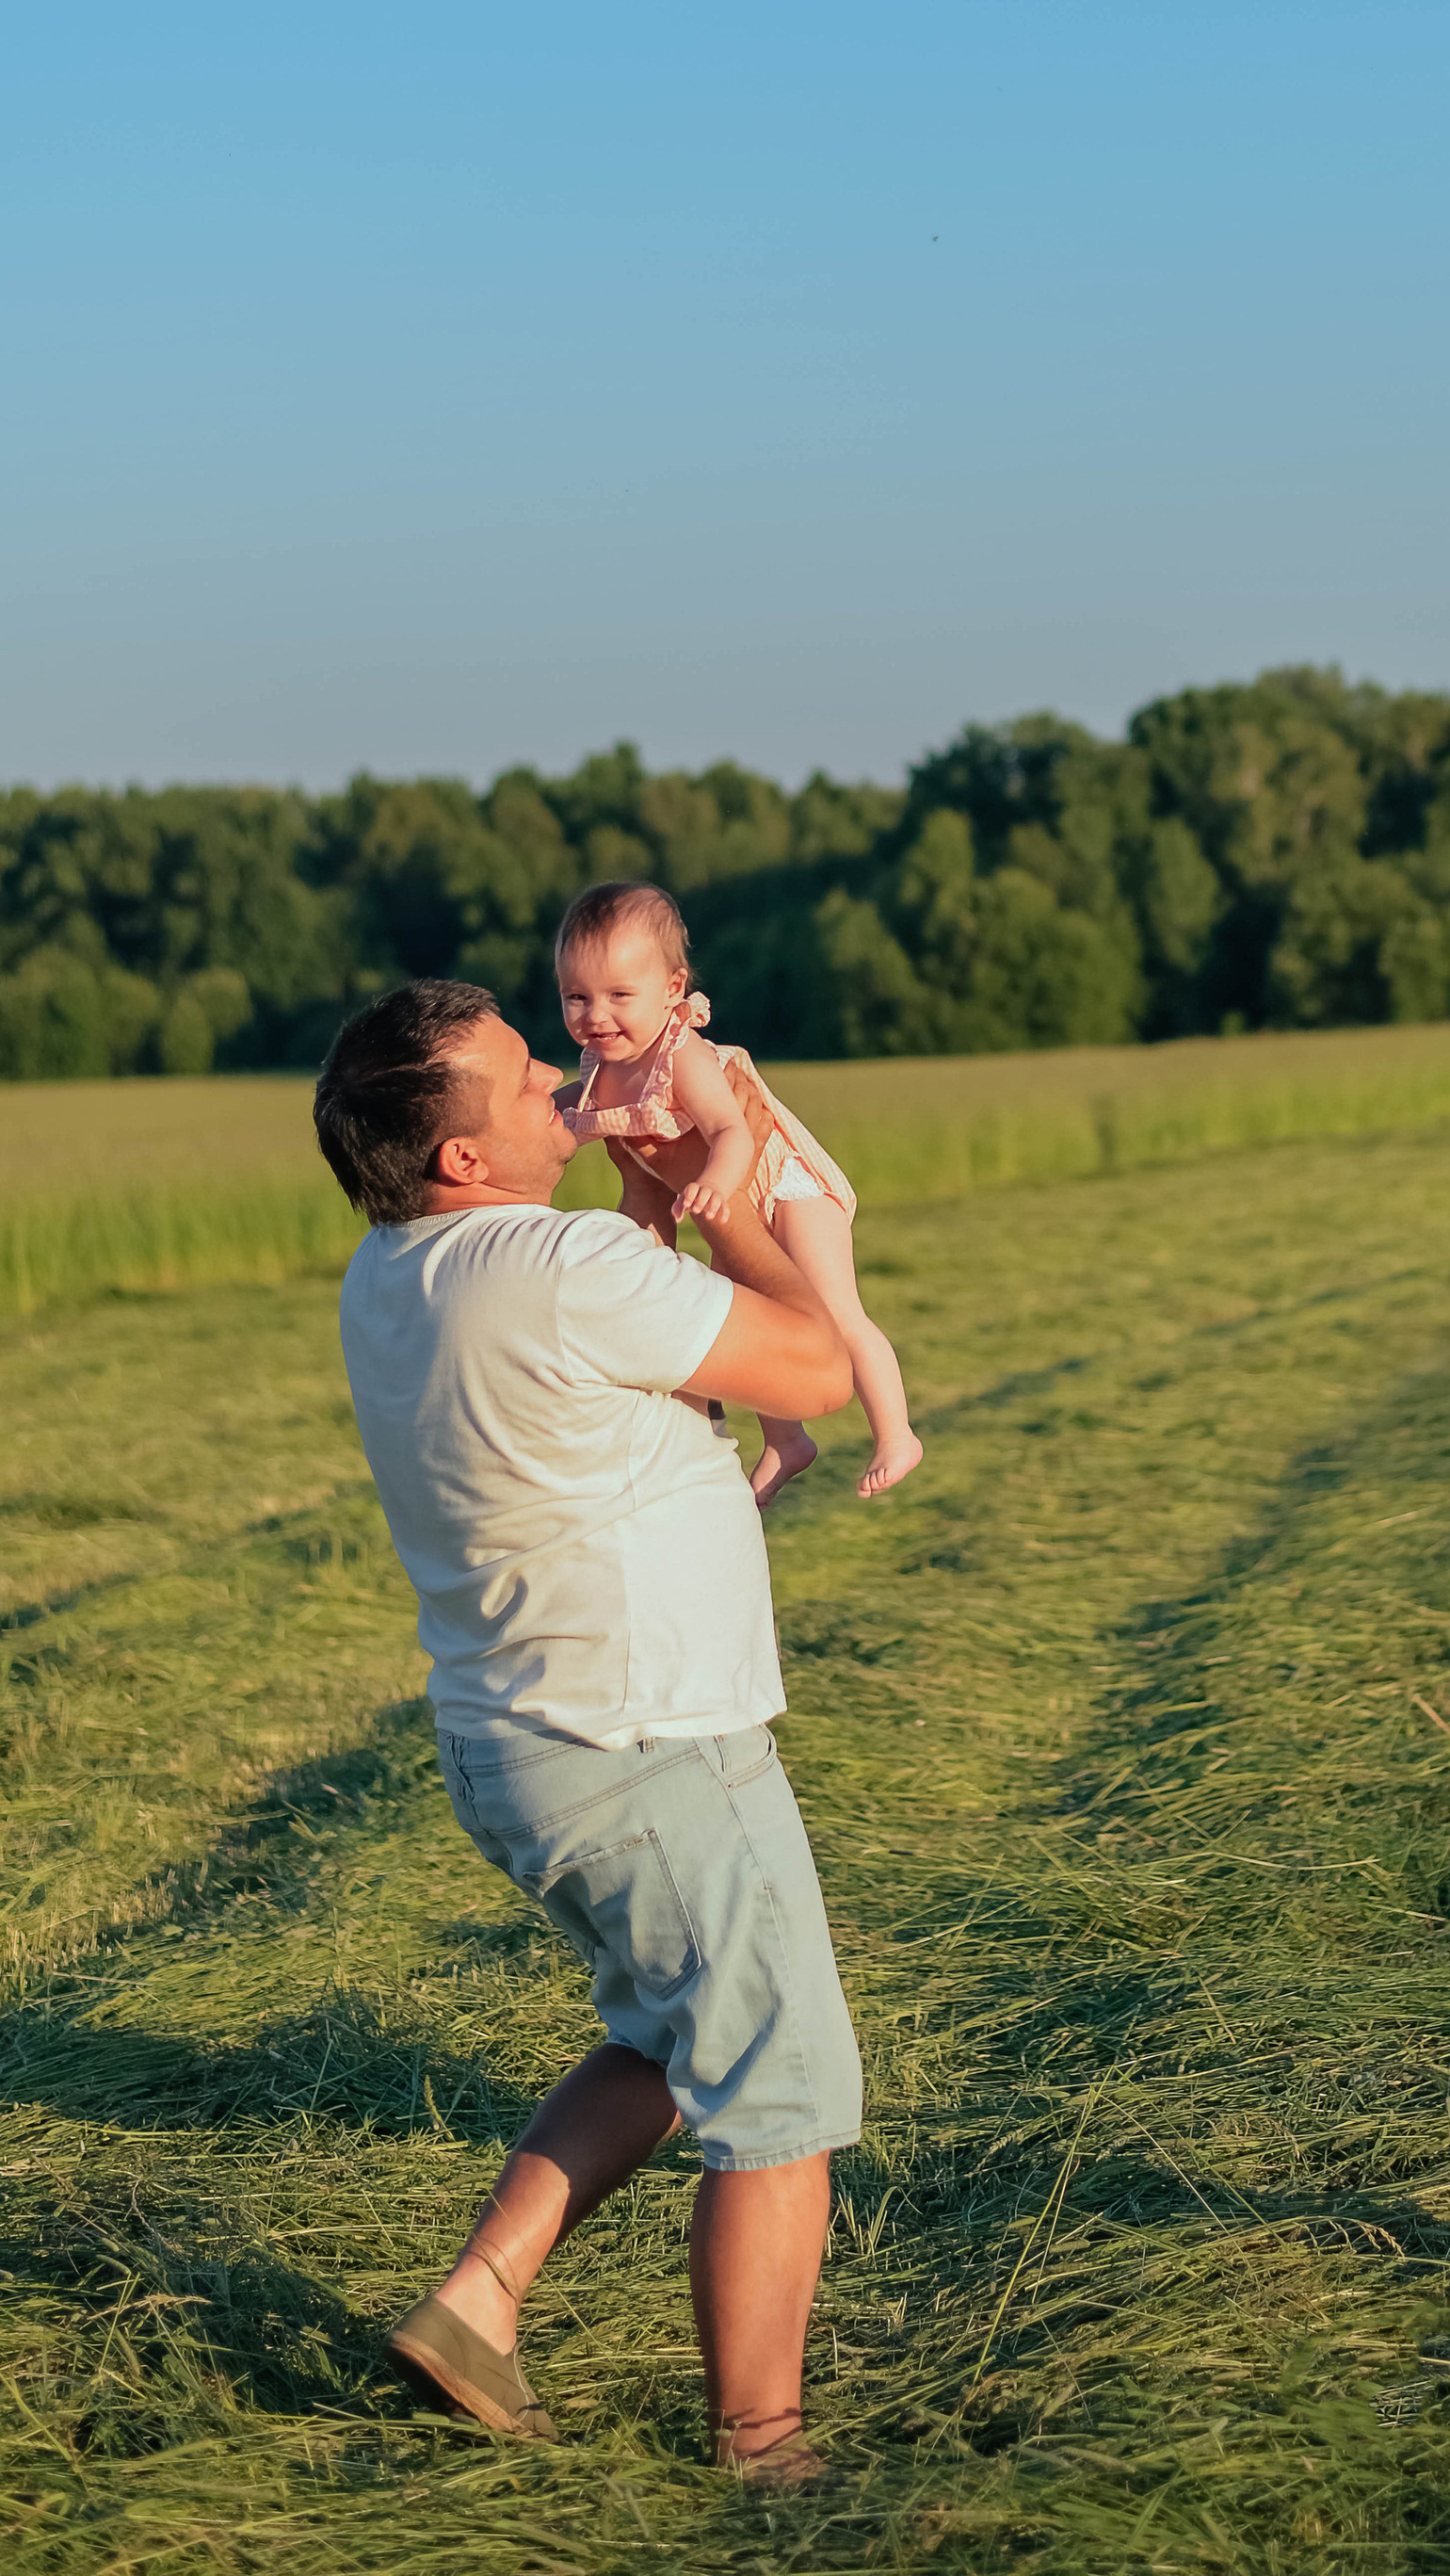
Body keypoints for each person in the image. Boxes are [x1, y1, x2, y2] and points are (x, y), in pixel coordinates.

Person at [314, 978, 864, 2487]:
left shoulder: (394, 1271)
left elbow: (608, 1324)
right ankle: (765, 2451)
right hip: (650, 1745)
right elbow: (820, 1366)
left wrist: (649, 1195)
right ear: (463, 1163)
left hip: (517, 1745)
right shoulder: (548, 1265)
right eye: (520, 1080)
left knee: (668, 2038)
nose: (566, 1076)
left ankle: (477, 2302)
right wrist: (735, 1171)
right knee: (782, 2092)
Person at [556, 881, 923, 1508]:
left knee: (834, 1310)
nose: (596, 1016)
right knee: (753, 1326)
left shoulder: (681, 1053)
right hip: (726, 1207)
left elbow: (733, 1130)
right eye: (576, 997)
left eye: (620, 996)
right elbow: (567, 1113)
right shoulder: (600, 1066)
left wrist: (716, 1184)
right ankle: (787, 1441)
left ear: (672, 990)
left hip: (782, 1183)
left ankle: (896, 1434)